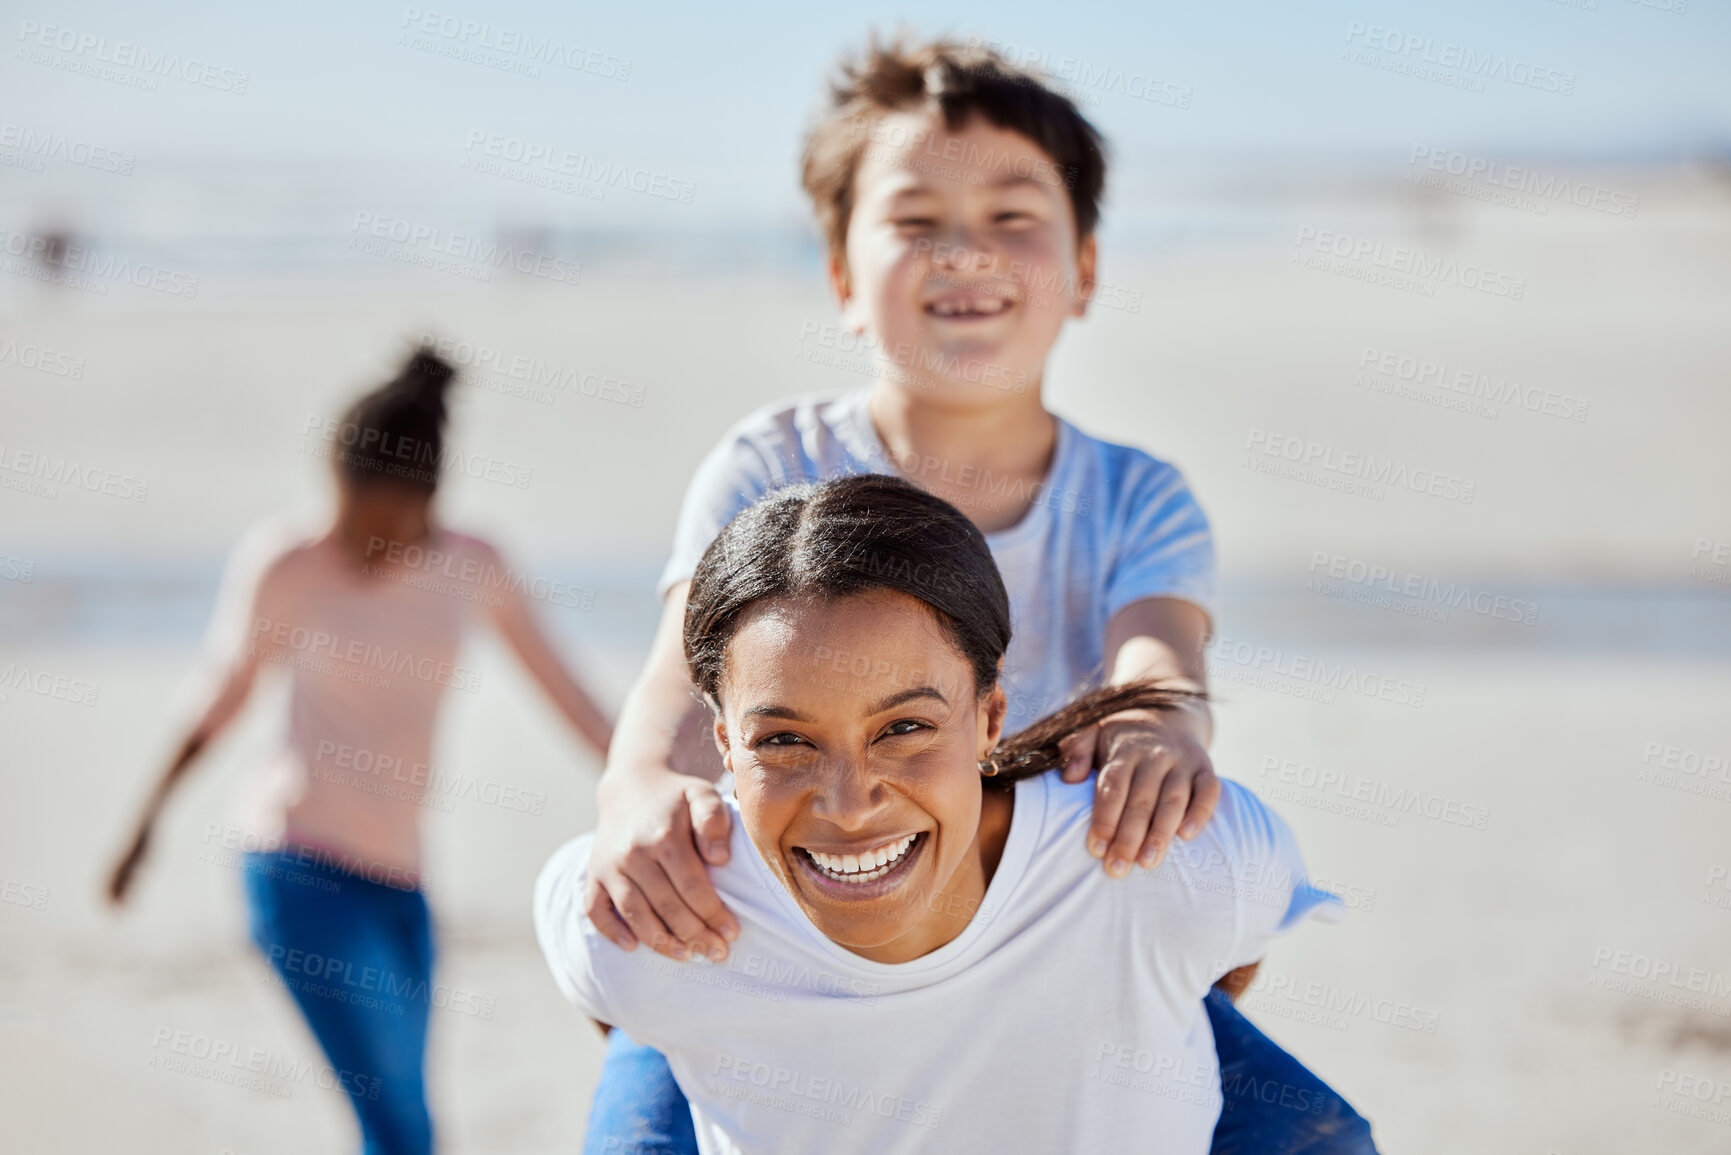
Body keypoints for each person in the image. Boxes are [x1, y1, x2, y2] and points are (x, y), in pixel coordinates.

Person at [581, 35, 1368, 1154]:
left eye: (1012, 219)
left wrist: (1160, 726)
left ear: (1085, 268)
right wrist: (638, 797)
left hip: (1044, 925)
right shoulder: (768, 466)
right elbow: (676, 688)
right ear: (844, 276)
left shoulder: (1135, 498)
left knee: (1319, 1138)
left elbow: (1160, 664)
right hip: (800, 919)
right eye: (915, 223)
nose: (965, 253)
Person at [537, 474, 1373, 1153]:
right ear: (723, 743)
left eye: (903, 728)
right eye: (785, 741)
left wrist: (1131, 992)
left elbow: (1230, 946)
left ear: (990, 714)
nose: (849, 801)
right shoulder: (656, 916)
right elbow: (593, 963)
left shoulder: (1162, 857)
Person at [107, 347, 613, 1155]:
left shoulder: (472, 568)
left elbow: (574, 700)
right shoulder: (290, 564)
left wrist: (664, 787)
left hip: (403, 881)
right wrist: (143, 826)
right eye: (342, 513)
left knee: (409, 1122)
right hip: (295, 865)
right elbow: (220, 696)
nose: (354, 541)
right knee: (397, 1125)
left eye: (375, 525)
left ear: (427, 503)